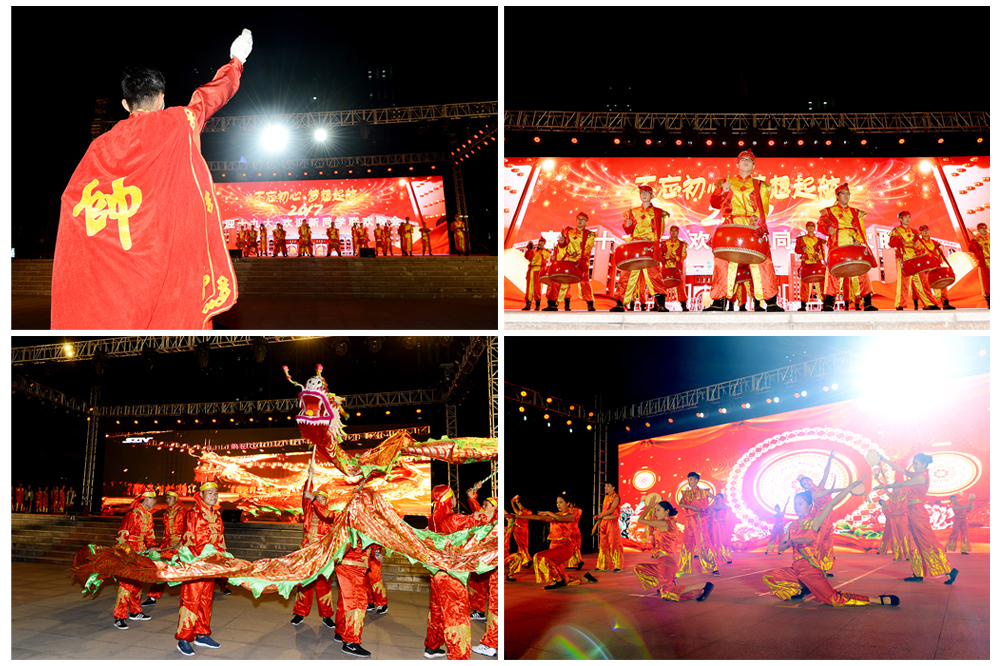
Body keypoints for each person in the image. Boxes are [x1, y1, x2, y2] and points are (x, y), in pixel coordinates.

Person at [51, 29, 252, 330]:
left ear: (125, 104)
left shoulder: (99, 147)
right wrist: (236, 61)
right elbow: (211, 95)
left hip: (120, 277)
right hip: (167, 263)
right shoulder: (179, 122)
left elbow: (72, 201)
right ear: (162, 98)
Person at [762, 476, 901, 606]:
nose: (796, 506)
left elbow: (832, 502)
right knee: (769, 577)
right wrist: (791, 542)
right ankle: (803, 588)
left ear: (810, 506)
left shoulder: (815, 522)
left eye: (800, 503)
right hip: (797, 570)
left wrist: (849, 488)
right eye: (795, 504)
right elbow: (780, 548)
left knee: (834, 600)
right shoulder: (792, 525)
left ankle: (878, 599)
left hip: (811, 570)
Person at [705, 150, 784, 312]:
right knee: (722, 261)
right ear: (737, 164)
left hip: (752, 225)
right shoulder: (726, 182)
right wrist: (723, 191)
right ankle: (718, 301)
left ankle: (771, 301)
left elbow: (763, 208)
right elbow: (714, 204)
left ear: (753, 166)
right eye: (743, 160)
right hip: (731, 225)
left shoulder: (761, 185)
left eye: (749, 160)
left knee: (763, 261)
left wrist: (757, 224)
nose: (746, 162)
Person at [423, 484, 495, 660]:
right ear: (448, 499)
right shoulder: (453, 518)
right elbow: (482, 519)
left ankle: (432, 647)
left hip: (437, 573)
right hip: (452, 575)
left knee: (437, 611)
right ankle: (458, 656)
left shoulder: (432, 518)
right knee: (456, 615)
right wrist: (496, 509)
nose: (455, 499)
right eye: (454, 496)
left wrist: (473, 499)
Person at [871, 453, 959, 584]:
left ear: (924, 464)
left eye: (916, 464)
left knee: (928, 541)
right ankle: (918, 573)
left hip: (918, 513)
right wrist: (883, 459)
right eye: (913, 463)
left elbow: (903, 483)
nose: (914, 466)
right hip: (911, 511)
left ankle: (949, 570)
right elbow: (900, 469)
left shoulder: (921, 478)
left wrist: (884, 487)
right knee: (913, 542)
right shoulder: (917, 475)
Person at [175, 482, 226, 655]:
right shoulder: (193, 513)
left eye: (215, 493)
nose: (214, 496)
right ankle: (184, 638)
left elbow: (220, 539)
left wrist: (222, 558)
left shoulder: (217, 515)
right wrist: (197, 560)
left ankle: (202, 634)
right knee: (191, 601)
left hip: (210, 565)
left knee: (206, 600)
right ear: (201, 495)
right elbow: (189, 539)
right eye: (210, 493)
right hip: (195, 564)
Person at [635, 500, 715, 602]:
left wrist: (649, 507)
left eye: (658, 510)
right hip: (665, 563)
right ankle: (667, 584)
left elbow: (641, 520)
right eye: (655, 510)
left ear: (667, 511)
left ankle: (703, 586)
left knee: (666, 594)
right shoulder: (670, 523)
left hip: (667, 564)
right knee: (640, 568)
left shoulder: (664, 523)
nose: (656, 513)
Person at [816, 182, 878, 311]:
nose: (846, 196)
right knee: (833, 272)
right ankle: (829, 303)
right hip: (836, 244)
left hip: (852, 244)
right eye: (843, 193)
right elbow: (820, 224)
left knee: (861, 271)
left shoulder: (855, 212)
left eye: (848, 194)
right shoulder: (829, 211)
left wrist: (859, 240)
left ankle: (867, 302)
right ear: (837, 196)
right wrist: (828, 229)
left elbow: (861, 229)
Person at [289, 464, 336, 629]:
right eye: (317, 498)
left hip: (323, 554)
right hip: (308, 553)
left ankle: (327, 615)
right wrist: (310, 476)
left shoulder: (330, 515)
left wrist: (314, 500)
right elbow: (305, 496)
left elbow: (324, 513)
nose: (320, 501)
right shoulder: (308, 512)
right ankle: (300, 613)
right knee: (305, 584)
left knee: (324, 586)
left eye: (323, 499)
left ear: (326, 502)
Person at [517, 495, 598, 589]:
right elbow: (537, 517)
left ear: (568, 503)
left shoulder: (571, 516)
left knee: (539, 557)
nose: (558, 504)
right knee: (562, 576)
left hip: (564, 548)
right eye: (557, 503)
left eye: (560, 502)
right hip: (553, 546)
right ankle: (585, 578)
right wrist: (517, 516)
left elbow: (559, 518)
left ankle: (557, 580)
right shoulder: (555, 515)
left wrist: (548, 512)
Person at [611, 185, 670, 312]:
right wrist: (627, 225)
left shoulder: (658, 212)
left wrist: (651, 239)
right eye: (642, 193)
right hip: (634, 246)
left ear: (651, 195)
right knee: (627, 275)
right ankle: (620, 303)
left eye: (646, 193)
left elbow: (659, 231)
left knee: (654, 274)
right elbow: (629, 231)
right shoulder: (633, 211)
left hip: (649, 246)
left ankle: (660, 303)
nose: (643, 195)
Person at [113, 488, 157, 629]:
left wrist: (152, 546)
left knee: (138, 583)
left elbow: (150, 535)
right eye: (154, 499)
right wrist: (123, 553)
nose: (155, 502)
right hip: (130, 551)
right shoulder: (132, 515)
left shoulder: (148, 516)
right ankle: (119, 616)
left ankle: (135, 611)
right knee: (126, 585)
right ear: (147, 499)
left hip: (141, 552)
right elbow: (122, 535)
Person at [142, 490, 190, 607]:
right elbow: (166, 533)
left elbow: (189, 528)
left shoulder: (183, 512)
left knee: (187, 571)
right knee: (162, 569)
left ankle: (190, 598)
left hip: (181, 546)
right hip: (168, 546)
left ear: (176, 499)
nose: (167, 500)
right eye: (166, 498)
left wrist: (182, 542)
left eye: (170, 498)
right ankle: (152, 596)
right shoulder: (166, 514)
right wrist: (161, 546)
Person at [543, 213, 597, 311]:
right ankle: (553, 303)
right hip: (568, 260)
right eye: (578, 219)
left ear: (586, 222)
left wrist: (577, 255)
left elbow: (587, 248)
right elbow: (563, 246)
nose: (580, 221)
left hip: (581, 261)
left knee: (584, 283)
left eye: (582, 219)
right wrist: (562, 243)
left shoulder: (589, 234)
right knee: (559, 279)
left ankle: (590, 303)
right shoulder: (569, 233)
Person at [889, 211, 939, 310]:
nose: (908, 219)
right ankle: (900, 304)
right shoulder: (896, 230)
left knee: (922, 281)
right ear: (901, 219)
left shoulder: (914, 231)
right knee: (903, 282)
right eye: (905, 217)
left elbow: (920, 247)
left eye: (909, 217)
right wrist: (900, 242)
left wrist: (917, 245)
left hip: (914, 258)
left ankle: (929, 303)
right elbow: (891, 243)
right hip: (903, 257)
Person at [677, 472, 718, 575]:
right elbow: (680, 504)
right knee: (687, 543)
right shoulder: (686, 493)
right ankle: (684, 567)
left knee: (704, 543)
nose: (689, 481)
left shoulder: (704, 492)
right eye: (688, 479)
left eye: (691, 479)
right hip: (689, 520)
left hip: (700, 520)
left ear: (696, 480)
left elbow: (717, 499)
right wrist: (691, 507)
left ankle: (713, 567)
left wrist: (710, 508)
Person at [915, 226, 956, 309]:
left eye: (927, 230)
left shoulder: (934, 242)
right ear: (920, 233)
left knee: (941, 283)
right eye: (924, 230)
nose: (926, 232)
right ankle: (929, 304)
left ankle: (945, 303)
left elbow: (939, 253)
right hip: (925, 267)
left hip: (935, 265)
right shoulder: (918, 243)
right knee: (926, 286)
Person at [794, 221, 826, 310]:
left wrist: (818, 256)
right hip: (806, 262)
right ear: (806, 228)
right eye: (809, 226)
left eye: (812, 226)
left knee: (820, 282)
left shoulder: (819, 240)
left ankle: (825, 302)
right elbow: (796, 250)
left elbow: (822, 252)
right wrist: (802, 249)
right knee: (804, 283)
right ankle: (803, 304)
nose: (811, 227)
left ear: (815, 228)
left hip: (816, 262)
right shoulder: (801, 239)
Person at [593, 482, 623, 572]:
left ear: (613, 487)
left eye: (608, 486)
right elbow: (605, 510)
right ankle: (603, 566)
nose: (606, 488)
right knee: (603, 544)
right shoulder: (606, 497)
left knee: (614, 543)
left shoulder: (616, 497)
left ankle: (618, 566)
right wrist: (600, 515)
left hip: (612, 522)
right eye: (605, 486)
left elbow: (611, 510)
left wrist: (600, 516)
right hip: (604, 522)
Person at [661, 225, 690, 311]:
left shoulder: (682, 244)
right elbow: (660, 253)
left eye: (675, 231)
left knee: (680, 286)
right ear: (670, 232)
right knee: (663, 285)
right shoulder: (664, 243)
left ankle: (683, 305)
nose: (673, 232)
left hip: (676, 267)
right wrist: (662, 259)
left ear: (678, 232)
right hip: (666, 266)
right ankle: (661, 304)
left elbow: (684, 256)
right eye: (672, 230)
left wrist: (676, 259)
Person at [504, 495, 532, 577]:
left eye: (520, 505)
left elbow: (514, 509)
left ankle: (526, 560)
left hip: (518, 530)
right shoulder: (528, 512)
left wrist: (513, 501)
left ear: (523, 505)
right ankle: (525, 560)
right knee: (524, 545)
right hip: (525, 530)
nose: (519, 506)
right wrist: (514, 501)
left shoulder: (521, 513)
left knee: (521, 546)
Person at [521, 239, 549, 311]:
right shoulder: (534, 251)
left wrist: (542, 250)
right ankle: (528, 305)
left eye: (542, 242)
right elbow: (527, 257)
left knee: (537, 288)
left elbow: (547, 256)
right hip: (531, 271)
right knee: (529, 288)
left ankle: (537, 305)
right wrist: (529, 249)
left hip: (538, 271)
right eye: (540, 242)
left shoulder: (545, 251)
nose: (540, 243)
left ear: (544, 244)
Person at [968, 222, 990, 307]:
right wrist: (974, 240)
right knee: (986, 283)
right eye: (982, 228)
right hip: (984, 263)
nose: (984, 230)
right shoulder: (977, 240)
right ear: (978, 230)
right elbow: (971, 249)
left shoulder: (990, 239)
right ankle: (989, 300)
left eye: (985, 227)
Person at [708, 493, 733, 565]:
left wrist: (712, 508)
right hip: (715, 524)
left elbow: (723, 510)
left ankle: (727, 557)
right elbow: (709, 514)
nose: (718, 499)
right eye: (717, 498)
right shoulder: (713, 506)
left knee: (724, 540)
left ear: (722, 499)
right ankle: (715, 557)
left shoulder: (724, 506)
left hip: (722, 525)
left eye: (719, 498)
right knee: (715, 541)